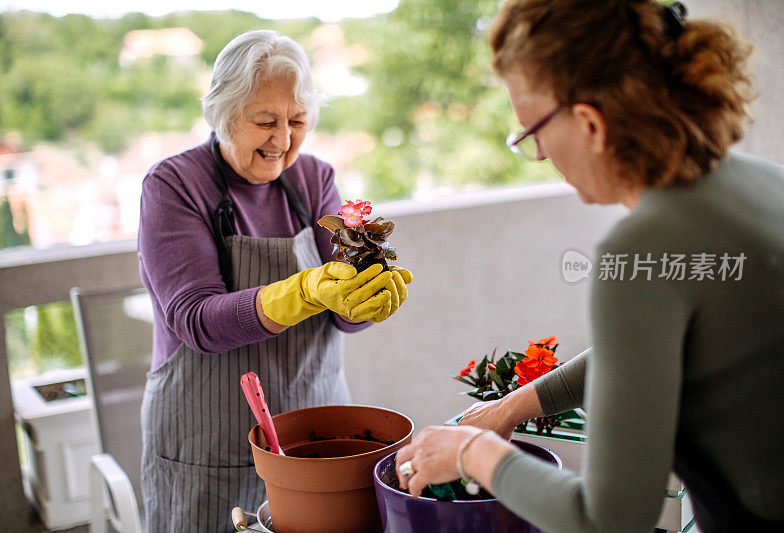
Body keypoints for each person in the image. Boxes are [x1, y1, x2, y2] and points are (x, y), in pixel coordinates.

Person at [395, 1, 784, 531]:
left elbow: (611, 520)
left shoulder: (639, 248)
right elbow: (658, 343)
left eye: (532, 131)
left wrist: (473, 454)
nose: (539, 155)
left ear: (589, 124)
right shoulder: (759, 181)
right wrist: (515, 406)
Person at [138, 30, 412, 532]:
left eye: (297, 121)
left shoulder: (314, 180)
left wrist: (362, 303)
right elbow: (198, 322)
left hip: (314, 446)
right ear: (222, 113)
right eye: (264, 121)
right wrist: (304, 290)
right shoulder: (174, 186)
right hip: (208, 450)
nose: (282, 140)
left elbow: (341, 314)